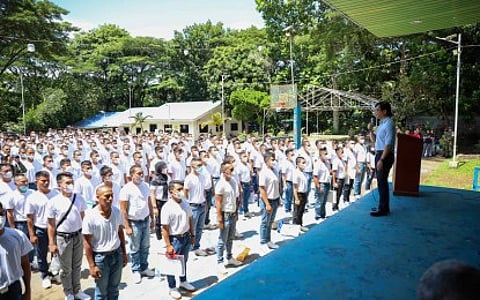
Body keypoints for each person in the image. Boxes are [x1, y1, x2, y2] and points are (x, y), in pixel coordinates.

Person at [46, 172, 90, 300]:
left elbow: (83, 218)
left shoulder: (79, 198)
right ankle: (68, 292)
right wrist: (52, 243)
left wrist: (86, 236)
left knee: (77, 265)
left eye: (72, 182)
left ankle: (77, 290)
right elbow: (51, 225)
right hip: (63, 238)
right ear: (60, 185)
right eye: (67, 182)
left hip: (77, 236)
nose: (70, 185)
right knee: (66, 268)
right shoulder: (53, 202)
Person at [82, 185, 128, 300]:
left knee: (114, 289)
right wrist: (92, 266)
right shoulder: (91, 217)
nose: (110, 199)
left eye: (112, 196)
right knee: (101, 292)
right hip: (101, 258)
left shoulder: (117, 212)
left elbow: (120, 233)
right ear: (98, 198)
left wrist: (124, 253)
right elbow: (87, 243)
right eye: (107, 196)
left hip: (116, 254)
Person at [119, 165, 155, 284]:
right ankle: (136, 269)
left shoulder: (145, 186)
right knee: (135, 248)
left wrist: (152, 217)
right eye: (138, 173)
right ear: (131, 175)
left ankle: (144, 267)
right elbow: (123, 209)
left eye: (142, 173)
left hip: (145, 220)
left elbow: (148, 201)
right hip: (134, 222)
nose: (141, 175)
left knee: (145, 246)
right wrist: (127, 226)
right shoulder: (126, 189)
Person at [161, 180, 196, 299]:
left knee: (183, 261)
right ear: (171, 192)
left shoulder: (185, 203)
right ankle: (172, 287)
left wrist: (192, 235)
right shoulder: (167, 207)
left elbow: (190, 219)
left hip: (185, 236)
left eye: (182, 189)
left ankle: (183, 281)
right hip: (175, 239)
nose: (181, 191)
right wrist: (168, 245)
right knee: (172, 264)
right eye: (179, 189)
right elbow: (165, 228)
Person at [26, 171, 59, 289]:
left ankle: (55, 273)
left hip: (56, 229)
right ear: (36, 182)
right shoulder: (32, 197)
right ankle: (45, 276)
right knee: (42, 254)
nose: (46, 183)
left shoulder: (56, 193)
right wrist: (31, 234)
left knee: (57, 253)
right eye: (43, 181)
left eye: (47, 181)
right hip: (40, 229)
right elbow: (29, 218)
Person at [0, 201, 33, 300]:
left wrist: (28, 290)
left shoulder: (18, 236)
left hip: (13, 289)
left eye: (1, 213)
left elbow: (25, 264)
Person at [368, 101, 396, 217]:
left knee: (382, 182)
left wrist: (382, 160)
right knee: (380, 182)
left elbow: (388, 144)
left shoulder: (389, 123)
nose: (375, 113)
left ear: (384, 111)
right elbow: (375, 140)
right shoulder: (381, 124)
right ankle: (382, 206)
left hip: (384, 155)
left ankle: (383, 208)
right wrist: (370, 130)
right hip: (379, 153)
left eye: (377, 110)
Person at [215, 162, 242, 275]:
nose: (232, 171)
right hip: (225, 214)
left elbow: (235, 198)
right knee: (222, 239)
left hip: (232, 213)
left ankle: (229, 257)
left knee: (230, 238)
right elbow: (218, 202)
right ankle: (220, 261)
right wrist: (219, 217)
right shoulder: (220, 184)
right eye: (230, 169)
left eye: (232, 169)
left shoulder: (233, 181)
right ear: (224, 171)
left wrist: (236, 212)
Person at [183, 158, 208, 256]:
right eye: (198, 165)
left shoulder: (202, 177)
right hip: (193, 206)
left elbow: (203, 191)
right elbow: (185, 192)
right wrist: (186, 206)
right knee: (191, 229)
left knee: (200, 228)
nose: (201, 167)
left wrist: (205, 203)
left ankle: (196, 246)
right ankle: (189, 248)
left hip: (202, 204)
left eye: (201, 165)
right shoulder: (189, 178)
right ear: (193, 166)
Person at [258, 152, 281, 250]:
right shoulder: (264, 172)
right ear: (266, 161)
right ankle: (265, 240)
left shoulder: (275, 170)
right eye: (272, 160)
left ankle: (267, 239)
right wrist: (267, 203)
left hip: (275, 199)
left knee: (271, 221)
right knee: (265, 221)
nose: (274, 161)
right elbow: (262, 189)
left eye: (274, 159)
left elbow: (277, 185)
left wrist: (279, 198)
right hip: (268, 200)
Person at [150, 161, 169, 240]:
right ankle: (159, 237)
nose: (165, 169)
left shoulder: (166, 178)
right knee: (158, 220)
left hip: (166, 201)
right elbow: (152, 193)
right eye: (163, 168)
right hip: (158, 202)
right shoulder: (155, 181)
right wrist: (154, 207)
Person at [313, 147, 331, 220]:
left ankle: (323, 215)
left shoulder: (327, 163)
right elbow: (315, 176)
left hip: (327, 183)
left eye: (327, 153)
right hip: (321, 183)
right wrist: (318, 186)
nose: (327, 155)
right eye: (325, 154)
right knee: (319, 201)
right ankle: (318, 216)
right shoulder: (318, 163)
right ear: (320, 154)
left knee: (324, 201)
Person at [292, 156, 308, 232]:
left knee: (301, 211)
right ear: (298, 164)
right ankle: (295, 227)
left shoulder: (303, 173)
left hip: (304, 193)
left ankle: (300, 225)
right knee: (297, 212)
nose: (304, 164)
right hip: (299, 194)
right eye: (303, 163)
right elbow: (295, 187)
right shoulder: (296, 173)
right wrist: (296, 198)